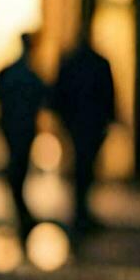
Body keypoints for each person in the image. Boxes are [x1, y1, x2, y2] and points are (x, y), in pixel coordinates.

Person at [52, 42, 116, 237]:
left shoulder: (74, 62)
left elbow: (59, 95)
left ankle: (81, 212)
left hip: (82, 123)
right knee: (84, 168)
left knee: (84, 168)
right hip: (88, 123)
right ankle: (81, 212)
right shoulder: (96, 63)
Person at [0, 35, 47, 229]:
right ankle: (21, 211)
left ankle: (21, 210)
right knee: (18, 168)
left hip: (15, 126)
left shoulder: (12, 72)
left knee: (17, 168)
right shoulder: (27, 74)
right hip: (20, 127)